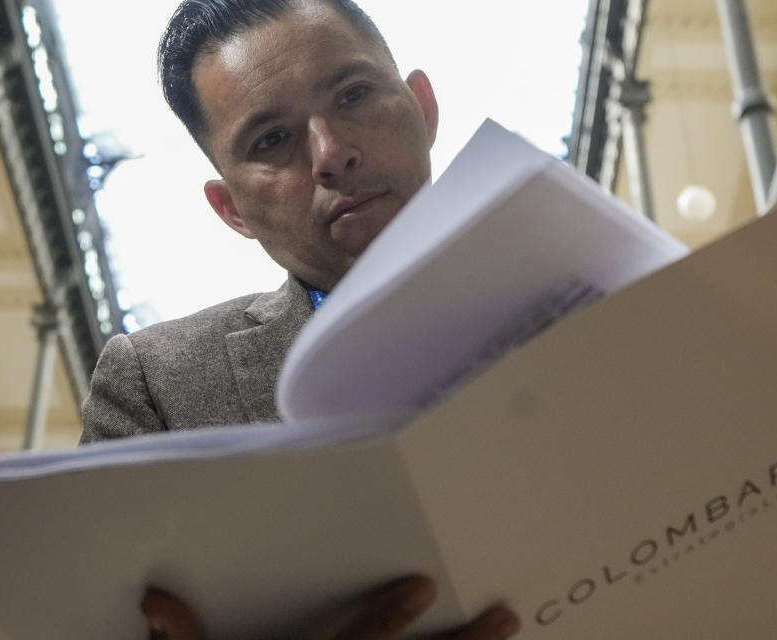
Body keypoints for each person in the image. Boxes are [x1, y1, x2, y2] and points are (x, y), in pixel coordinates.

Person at [81, 0, 521, 638]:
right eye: (271, 140)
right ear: (231, 208)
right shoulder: (155, 390)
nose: (331, 152)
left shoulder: (603, 290)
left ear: (423, 107)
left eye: (353, 94)